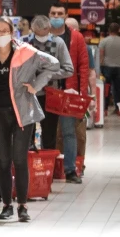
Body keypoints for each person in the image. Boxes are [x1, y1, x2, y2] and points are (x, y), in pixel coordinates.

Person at [0, 16, 61, 223]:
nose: (0, 35)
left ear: (12, 32)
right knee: (3, 160)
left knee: (19, 159)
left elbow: (54, 64)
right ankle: (7, 205)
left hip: (23, 113)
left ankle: (23, 206)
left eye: (3, 30)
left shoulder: (26, 52)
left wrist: (36, 85)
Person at [29, 16, 79, 183]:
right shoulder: (26, 44)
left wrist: (47, 73)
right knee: (27, 134)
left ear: (49, 29)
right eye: (38, 33)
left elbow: (69, 69)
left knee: (49, 134)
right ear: (33, 30)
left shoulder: (58, 43)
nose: (42, 36)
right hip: (29, 95)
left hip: (51, 94)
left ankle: (47, 172)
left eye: (44, 32)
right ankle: (29, 171)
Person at [48, 5, 91, 177]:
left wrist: (82, 94)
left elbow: (83, 66)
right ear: (48, 15)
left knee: (69, 132)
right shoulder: (42, 36)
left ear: (66, 15)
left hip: (68, 93)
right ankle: (48, 169)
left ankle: (70, 169)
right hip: (46, 91)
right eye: (53, 14)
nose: (56, 16)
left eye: (60, 14)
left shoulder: (76, 37)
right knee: (48, 132)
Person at [99, 24, 120, 115]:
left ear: (109, 30)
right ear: (118, 30)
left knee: (106, 89)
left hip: (107, 68)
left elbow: (101, 55)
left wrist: (100, 65)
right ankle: (119, 110)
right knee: (118, 89)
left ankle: (105, 109)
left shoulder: (104, 41)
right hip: (118, 67)